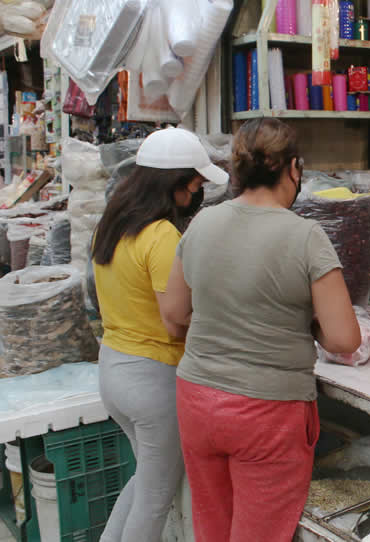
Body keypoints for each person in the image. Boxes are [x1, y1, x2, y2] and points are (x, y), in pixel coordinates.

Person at [163, 118, 361, 542]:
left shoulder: (201, 224)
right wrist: (305, 321)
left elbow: (175, 313)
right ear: (294, 169)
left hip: (197, 400)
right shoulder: (306, 236)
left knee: (212, 526)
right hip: (267, 413)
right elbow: (344, 340)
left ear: (237, 171)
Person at [92, 128, 229, 542]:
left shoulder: (113, 224)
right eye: (197, 183)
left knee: (144, 482)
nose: (200, 191)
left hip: (113, 367)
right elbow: (176, 319)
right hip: (153, 379)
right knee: (155, 499)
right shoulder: (162, 235)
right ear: (176, 183)